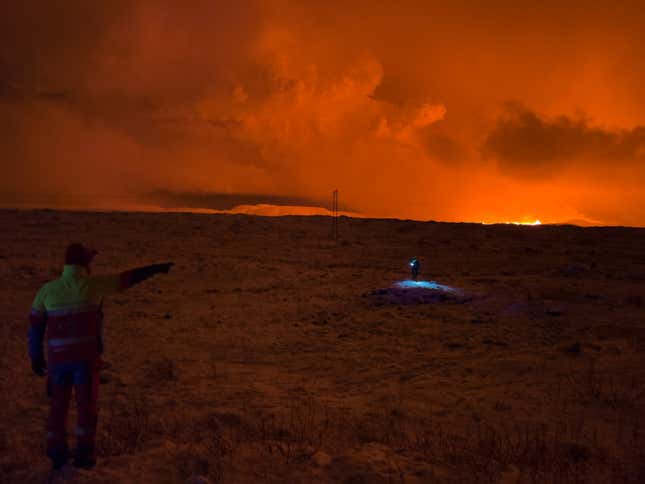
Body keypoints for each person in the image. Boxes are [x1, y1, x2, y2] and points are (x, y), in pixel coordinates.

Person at [28, 243, 174, 470]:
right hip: (85, 361)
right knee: (86, 407)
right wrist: (154, 269)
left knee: (58, 406)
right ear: (85, 263)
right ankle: (85, 455)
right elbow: (126, 279)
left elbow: (35, 327)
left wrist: (36, 357)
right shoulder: (93, 286)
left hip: (58, 362)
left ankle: (57, 452)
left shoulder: (47, 291)